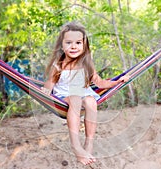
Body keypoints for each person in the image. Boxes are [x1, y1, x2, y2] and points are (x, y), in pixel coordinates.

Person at [42, 22, 130, 165]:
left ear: (84, 45)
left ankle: (89, 143)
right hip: (65, 97)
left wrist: (117, 82)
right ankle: (76, 146)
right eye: (69, 42)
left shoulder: (86, 63)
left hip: (83, 93)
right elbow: (48, 86)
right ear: (62, 46)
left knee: (91, 101)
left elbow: (100, 83)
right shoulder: (59, 65)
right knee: (76, 100)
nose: (74, 46)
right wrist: (41, 94)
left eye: (78, 42)